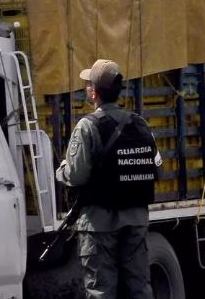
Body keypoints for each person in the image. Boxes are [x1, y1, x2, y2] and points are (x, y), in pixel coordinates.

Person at [55, 59, 160, 299]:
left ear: (93, 92)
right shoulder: (140, 124)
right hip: (135, 218)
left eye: (88, 85)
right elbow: (157, 168)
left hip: (99, 223)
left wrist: (61, 170)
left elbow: (76, 175)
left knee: (101, 290)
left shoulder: (87, 126)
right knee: (139, 288)